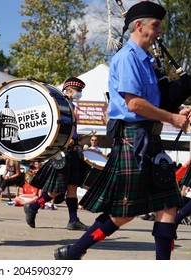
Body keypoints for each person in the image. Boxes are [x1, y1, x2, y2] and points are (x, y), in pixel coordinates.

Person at [54, 1, 190, 260]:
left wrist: (176, 110)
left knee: (168, 206)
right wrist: (171, 117)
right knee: (124, 212)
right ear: (139, 26)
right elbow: (134, 103)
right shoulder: (128, 58)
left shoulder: (148, 61)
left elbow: (153, 103)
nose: (160, 31)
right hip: (132, 139)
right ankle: (74, 252)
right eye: (156, 25)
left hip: (150, 138)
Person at [23, 76, 89, 231]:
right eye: (78, 90)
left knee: (72, 186)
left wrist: (76, 138)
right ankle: (33, 207)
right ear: (69, 90)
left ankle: (73, 220)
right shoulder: (61, 106)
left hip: (72, 151)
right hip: (63, 151)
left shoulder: (71, 106)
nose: (79, 93)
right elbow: (54, 126)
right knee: (57, 188)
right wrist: (66, 140)